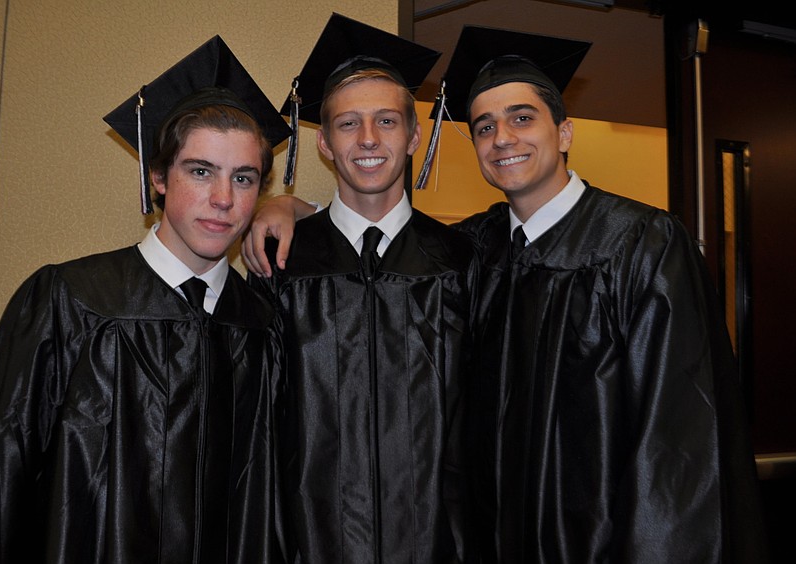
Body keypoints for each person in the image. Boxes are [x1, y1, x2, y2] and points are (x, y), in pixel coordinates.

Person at [242, 25, 769, 564]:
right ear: (326, 143)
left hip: (603, 539)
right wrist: (287, 207)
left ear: (564, 132)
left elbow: (678, 440)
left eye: (522, 118)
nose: (504, 139)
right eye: (486, 126)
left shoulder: (641, 244)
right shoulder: (477, 249)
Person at [0, 36, 290, 564]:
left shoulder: (262, 327)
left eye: (242, 178)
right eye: (201, 171)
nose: (224, 199)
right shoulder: (70, 301)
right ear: (158, 178)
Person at [247, 13, 479, 564]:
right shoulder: (279, 261)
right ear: (324, 143)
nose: (369, 139)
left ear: (415, 135)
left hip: (439, 544)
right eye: (348, 125)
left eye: (386, 121)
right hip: (312, 542)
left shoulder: (465, 261)